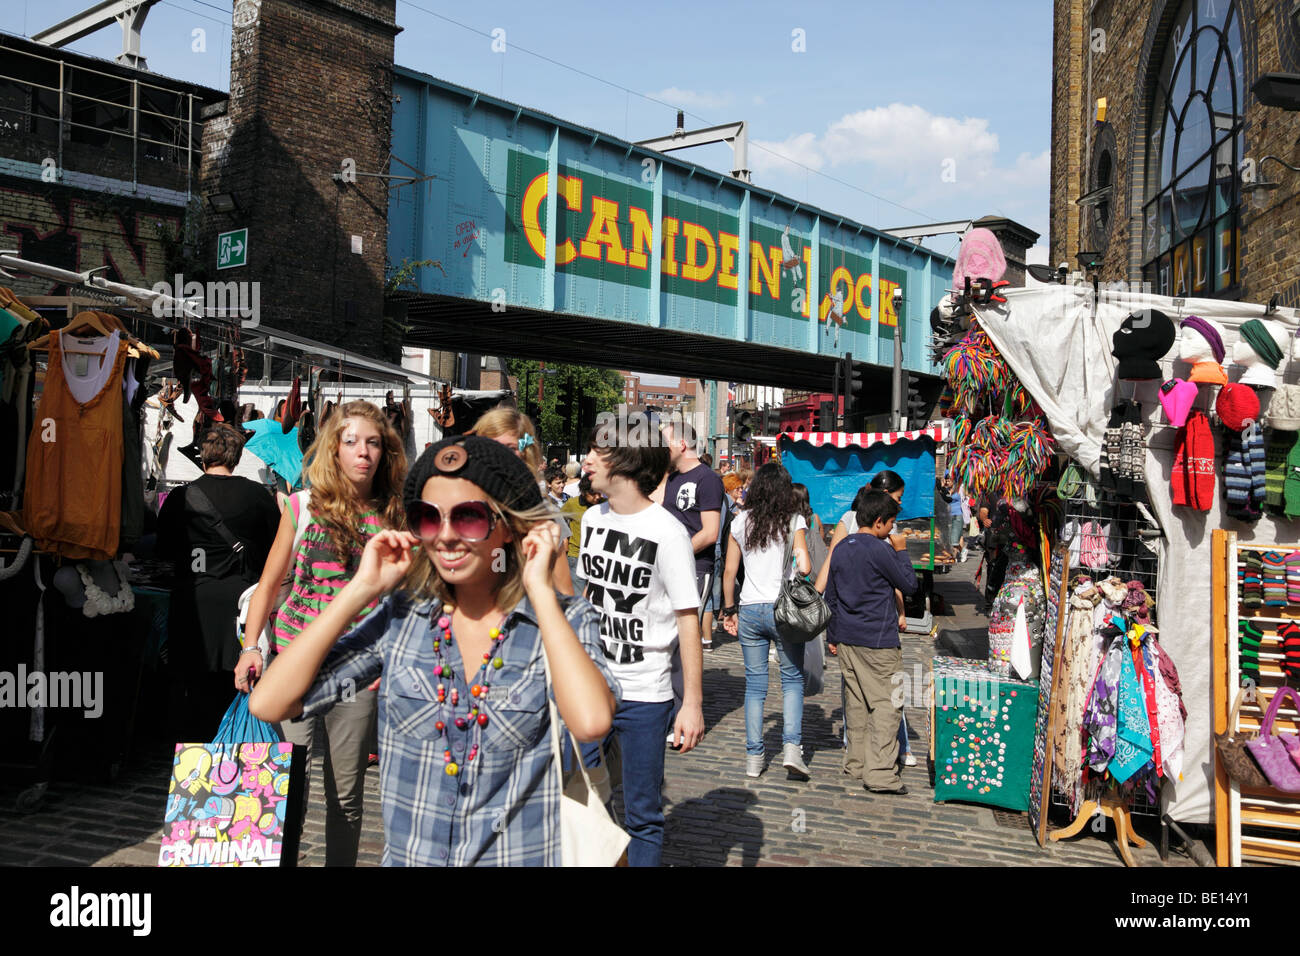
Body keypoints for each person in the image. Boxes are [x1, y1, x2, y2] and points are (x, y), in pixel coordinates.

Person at [250, 436, 618, 865]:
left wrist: (539, 590)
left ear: (510, 525)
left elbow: (591, 722)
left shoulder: (565, 621)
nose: (445, 536)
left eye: (468, 518)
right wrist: (359, 591)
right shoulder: (402, 619)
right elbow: (269, 702)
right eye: (428, 518)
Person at [237, 400, 407, 867]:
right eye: (351, 441)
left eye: (373, 442)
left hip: (358, 672)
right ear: (333, 449)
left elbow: (405, 600)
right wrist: (251, 647)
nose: (363, 452)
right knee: (288, 786)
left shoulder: (396, 513)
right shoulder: (301, 506)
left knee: (347, 796)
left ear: (385, 451)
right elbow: (270, 584)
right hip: (296, 661)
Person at [580, 423, 704, 867]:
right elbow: (584, 601)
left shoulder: (667, 532)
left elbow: (688, 619)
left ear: (625, 461)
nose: (586, 460)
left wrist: (691, 702)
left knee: (644, 813)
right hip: (591, 689)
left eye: (597, 451)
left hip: (645, 695)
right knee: (582, 800)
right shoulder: (592, 520)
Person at [156, 424, 279, 741]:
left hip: (193, 602)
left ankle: (194, 759)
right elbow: (275, 551)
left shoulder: (180, 497)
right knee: (238, 684)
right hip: (241, 607)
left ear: (203, 457)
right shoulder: (257, 496)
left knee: (193, 686)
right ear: (236, 457)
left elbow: (164, 550)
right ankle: (232, 755)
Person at [814, 470, 916, 766]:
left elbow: (831, 595)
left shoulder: (843, 545)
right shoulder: (880, 549)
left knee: (856, 703)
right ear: (879, 522)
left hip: (846, 637)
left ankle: (856, 764)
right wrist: (902, 552)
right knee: (887, 704)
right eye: (892, 523)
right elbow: (909, 585)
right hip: (878, 638)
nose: (894, 528)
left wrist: (832, 635)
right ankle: (881, 772)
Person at [719, 463, 812, 779]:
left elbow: (730, 573)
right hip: (783, 609)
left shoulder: (740, 522)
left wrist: (728, 610)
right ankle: (791, 750)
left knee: (755, 686)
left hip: (749, 609)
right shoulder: (793, 521)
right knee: (792, 680)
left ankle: (754, 758)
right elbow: (805, 566)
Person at [469, 406, 575, 596]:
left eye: (509, 448)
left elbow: (565, 592)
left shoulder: (544, 515)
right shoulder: (458, 507)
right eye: (489, 446)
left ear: (525, 453)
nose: (498, 456)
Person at [660, 419, 725, 655]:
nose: (661, 449)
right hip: (665, 567)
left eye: (665, 443)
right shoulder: (672, 478)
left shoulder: (707, 479)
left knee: (683, 635)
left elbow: (709, 532)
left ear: (682, 444)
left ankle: (688, 688)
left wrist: (676, 552)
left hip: (694, 568)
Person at [561, 475, 601, 594]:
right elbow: (557, 519)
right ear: (584, 492)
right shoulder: (572, 504)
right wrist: (565, 539)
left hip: (598, 558)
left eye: (600, 493)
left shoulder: (604, 505)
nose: (598, 497)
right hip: (576, 556)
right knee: (577, 596)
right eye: (593, 493)